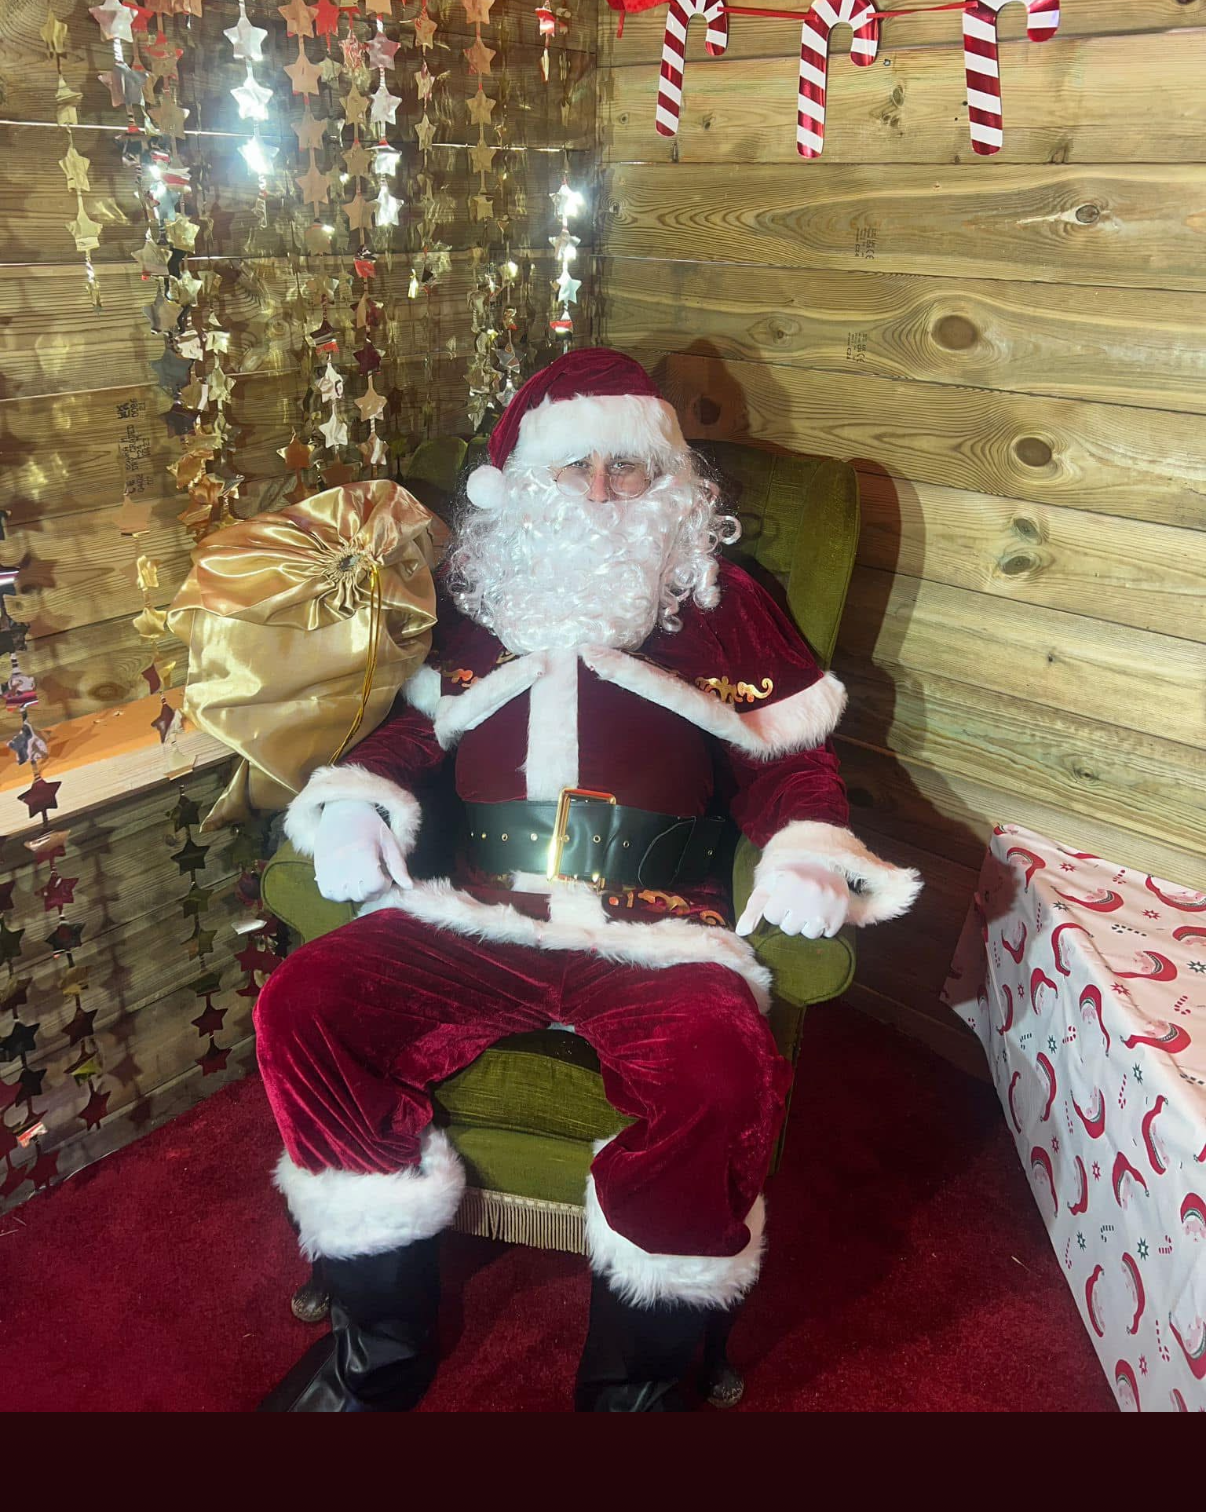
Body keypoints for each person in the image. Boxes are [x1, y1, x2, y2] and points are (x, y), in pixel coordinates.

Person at [254, 348, 920, 1410]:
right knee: (305, 1005)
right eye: (577, 467)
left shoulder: (722, 601)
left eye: (628, 466)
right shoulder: (474, 598)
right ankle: (377, 1349)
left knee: (718, 1072)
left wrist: (807, 849)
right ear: (526, 484)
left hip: (657, 926)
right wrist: (354, 805)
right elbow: (410, 733)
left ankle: (637, 1388)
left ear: (671, 482)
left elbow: (790, 760)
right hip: (476, 910)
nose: (603, 491)